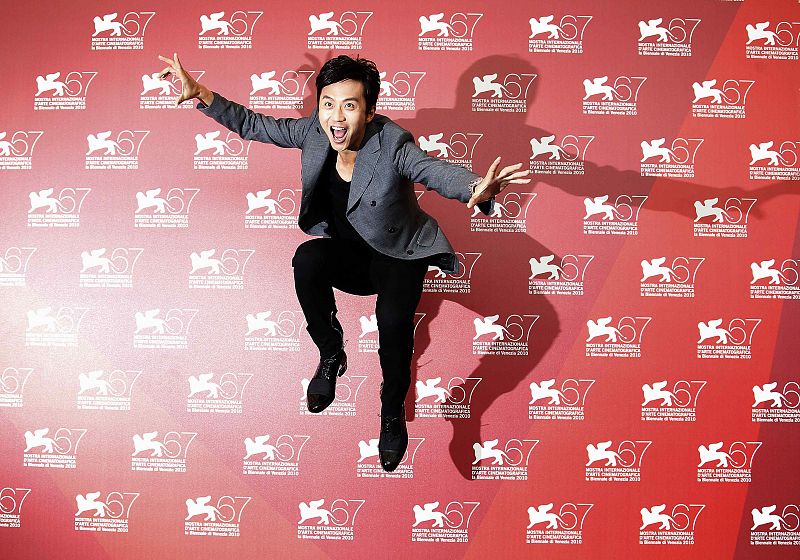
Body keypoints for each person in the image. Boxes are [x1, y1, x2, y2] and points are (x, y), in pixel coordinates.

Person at [157, 52, 530, 472]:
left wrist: (474, 187)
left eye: (349, 105)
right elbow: (253, 125)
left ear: (369, 111)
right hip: (353, 256)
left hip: (399, 256)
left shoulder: (392, 143)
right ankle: (332, 352)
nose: (336, 117)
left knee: (392, 325)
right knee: (308, 258)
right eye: (328, 104)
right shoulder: (314, 134)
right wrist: (201, 95)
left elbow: (432, 169)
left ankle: (391, 412)